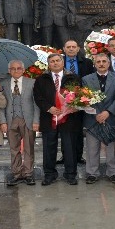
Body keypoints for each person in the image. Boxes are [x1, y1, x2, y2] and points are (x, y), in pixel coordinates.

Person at [33, 53, 82, 186]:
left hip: (69, 118)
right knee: (49, 147)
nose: (55, 63)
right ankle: (49, 175)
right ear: (48, 64)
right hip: (49, 118)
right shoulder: (42, 79)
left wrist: (73, 106)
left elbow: (80, 95)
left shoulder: (73, 78)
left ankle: (71, 174)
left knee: (69, 147)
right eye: (52, 61)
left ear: (62, 62)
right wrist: (49, 108)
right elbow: (38, 97)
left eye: (57, 60)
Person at [82, 53, 115, 184]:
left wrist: (108, 112)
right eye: (98, 61)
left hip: (111, 118)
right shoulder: (86, 79)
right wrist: (96, 114)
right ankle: (92, 173)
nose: (101, 64)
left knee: (113, 148)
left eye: (104, 61)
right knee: (92, 148)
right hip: (92, 119)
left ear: (109, 63)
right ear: (94, 64)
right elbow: (83, 99)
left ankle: (113, 173)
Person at [0, 60, 40, 186]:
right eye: (13, 68)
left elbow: (36, 103)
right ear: (9, 70)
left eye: (18, 68)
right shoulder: (3, 84)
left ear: (23, 70)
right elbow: (0, 105)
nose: (16, 71)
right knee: (13, 149)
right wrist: (3, 121)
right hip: (11, 119)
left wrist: (36, 120)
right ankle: (16, 173)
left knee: (29, 147)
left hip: (27, 119)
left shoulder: (32, 83)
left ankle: (28, 173)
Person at [59, 39, 94, 165]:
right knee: (64, 130)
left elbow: (91, 80)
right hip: (63, 101)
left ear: (78, 49)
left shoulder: (87, 63)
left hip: (81, 101)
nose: (71, 49)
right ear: (64, 49)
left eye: (74, 46)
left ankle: (78, 155)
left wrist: (84, 98)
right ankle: (65, 155)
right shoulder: (59, 62)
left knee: (79, 130)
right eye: (68, 47)